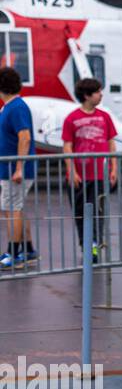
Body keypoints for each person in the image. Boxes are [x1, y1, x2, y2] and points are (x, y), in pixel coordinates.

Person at [61, 77, 118, 261]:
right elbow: (67, 146)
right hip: (80, 175)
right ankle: (85, 244)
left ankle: (94, 245)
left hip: (100, 175)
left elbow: (111, 144)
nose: (101, 94)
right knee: (80, 212)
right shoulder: (72, 118)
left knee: (98, 212)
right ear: (87, 95)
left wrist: (114, 168)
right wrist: (72, 171)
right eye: (97, 92)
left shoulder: (105, 116)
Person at [0, 66, 38, 271]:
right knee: (17, 208)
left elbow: (25, 137)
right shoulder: (9, 107)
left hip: (14, 170)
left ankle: (13, 253)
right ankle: (28, 250)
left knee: (12, 209)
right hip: (9, 168)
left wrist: (19, 168)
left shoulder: (16, 108)